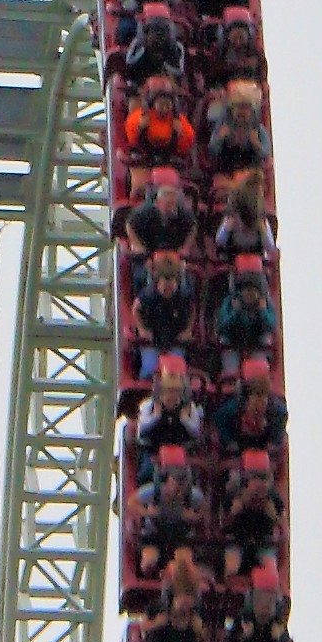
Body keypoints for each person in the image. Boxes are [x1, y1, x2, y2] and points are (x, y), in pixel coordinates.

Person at [129, 444, 205, 576]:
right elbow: (131, 502)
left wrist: (194, 517)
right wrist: (147, 512)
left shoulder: (193, 495)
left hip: (180, 537)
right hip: (153, 535)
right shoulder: (154, 491)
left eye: (182, 484)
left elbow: (204, 509)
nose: (178, 490)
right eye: (175, 482)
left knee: (185, 562)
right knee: (149, 561)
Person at [125, 169, 196, 293]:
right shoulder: (144, 212)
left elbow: (193, 227)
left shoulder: (183, 213)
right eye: (168, 204)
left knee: (187, 279)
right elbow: (129, 225)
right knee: (140, 275)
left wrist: (185, 247)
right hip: (149, 252)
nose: (171, 208)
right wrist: (137, 245)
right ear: (158, 203)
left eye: (173, 204)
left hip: (173, 252)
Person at [124, 78, 195, 198]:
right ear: (153, 103)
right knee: (138, 185)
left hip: (169, 160)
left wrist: (180, 134)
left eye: (168, 104)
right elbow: (133, 140)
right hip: (144, 159)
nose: (164, 108)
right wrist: (140, 128)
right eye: (161, 104)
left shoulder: (178, 120)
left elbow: (188, 142)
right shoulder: (141, 117)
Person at [220, 448, 283, 579]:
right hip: (236, 539)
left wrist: (273, 516)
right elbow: (224, 524)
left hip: (264, 541)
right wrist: (239, 506)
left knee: (271, 573)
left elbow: (282, 525)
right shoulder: (234, 492)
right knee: (231, 569)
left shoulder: (272, 496)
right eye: (254, 477)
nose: (258, 482)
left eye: (262, 477)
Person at [132, 250, 195, 378]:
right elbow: (135, 308)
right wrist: (142, 329)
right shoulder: (148, 295)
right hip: (152, 340)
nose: (168, 290)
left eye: (172, 286)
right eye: (165, 287)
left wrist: (188, 330)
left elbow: (192, 310)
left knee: (175, 372)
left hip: (174, 340)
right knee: (149, 369)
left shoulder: (184, 295)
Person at [137, 354, 204, 472]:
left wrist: (185, 420)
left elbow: (196, 432)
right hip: (154, 449)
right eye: (168, 391)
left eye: (175, 391)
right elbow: (141, 430)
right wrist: (155, 417)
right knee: (146, 471)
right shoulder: (148, 405)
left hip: (181, 449)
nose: (171, 396)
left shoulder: (190, 407)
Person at [214, 254, 277, 378]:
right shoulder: (230, 301)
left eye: (253, 291)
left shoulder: (265, 303)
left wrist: (262, 312)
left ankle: (258, 375)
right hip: (232, 339)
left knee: (266, 339)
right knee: (224, 342)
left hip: (256, 340)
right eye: (246, 290)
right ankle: (231, 377)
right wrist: (235, 313)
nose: (249, 294)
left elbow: (271, 326)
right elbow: (222, 326)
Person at [222, 558, 291, 642]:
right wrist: (244, 637)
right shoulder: (242, 619)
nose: (265, 604)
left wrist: (277, 639)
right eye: (260, 598)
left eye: (270, 599)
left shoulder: (277, 624)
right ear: (252, 599)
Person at [214, 356, 286, 456]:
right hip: (238, 445)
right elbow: (220, 419)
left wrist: (273, 443)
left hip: (265, 447)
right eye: (256, 395)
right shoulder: (232, 409)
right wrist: (230, 442)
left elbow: (277, 435)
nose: (259, 402)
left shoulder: (277, 412)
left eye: (263, 395)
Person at [207, 81, 272, 190]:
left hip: (249, 176)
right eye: (239, 107)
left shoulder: (257, 129)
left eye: (246, 108)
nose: (242, 112)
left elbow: (266, 153)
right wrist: (220, 138)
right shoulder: (224, 126)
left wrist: (256, 144)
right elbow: (212, 149)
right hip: (225, 173)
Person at [214, 169, 276, 261]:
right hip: (233, 258)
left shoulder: (261, 222)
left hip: (254, 258)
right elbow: (220, 241)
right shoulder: (232, 219)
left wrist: (262, 230)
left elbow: (270, 247)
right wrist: (229, 227)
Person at [200, 7, 266, 90]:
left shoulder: (256, 52)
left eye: (241, 38)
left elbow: (263, 75)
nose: (238, 42)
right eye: (234, 38)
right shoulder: (219, 51)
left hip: (251, 91)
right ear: (225, 36)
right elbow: (211, 76)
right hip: (226, 91)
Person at [123, 4, 187, 89]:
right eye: (153, 29)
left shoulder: (177, 47)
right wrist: (143, 50)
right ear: (145, 30)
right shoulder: (138, 44)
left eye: (163, 29)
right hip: (141, 85)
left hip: (168, 86)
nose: (158, 34)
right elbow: (129, 64)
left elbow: (179, 71)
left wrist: (164, 64)